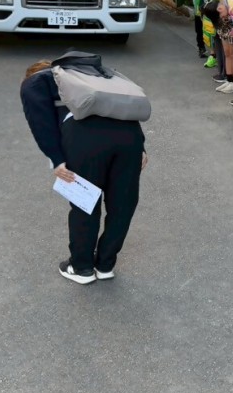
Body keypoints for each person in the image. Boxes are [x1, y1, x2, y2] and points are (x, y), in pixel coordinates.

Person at [19, 58, 147, 284]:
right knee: (123, 205)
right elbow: (121, 105)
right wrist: (141, 147)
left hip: (84, 138)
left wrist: (57, 159)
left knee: (85, 203)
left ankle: (82, 268)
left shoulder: (35, 82)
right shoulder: (93, 75)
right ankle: (105, 265)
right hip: (129, 137)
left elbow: (41, 122)